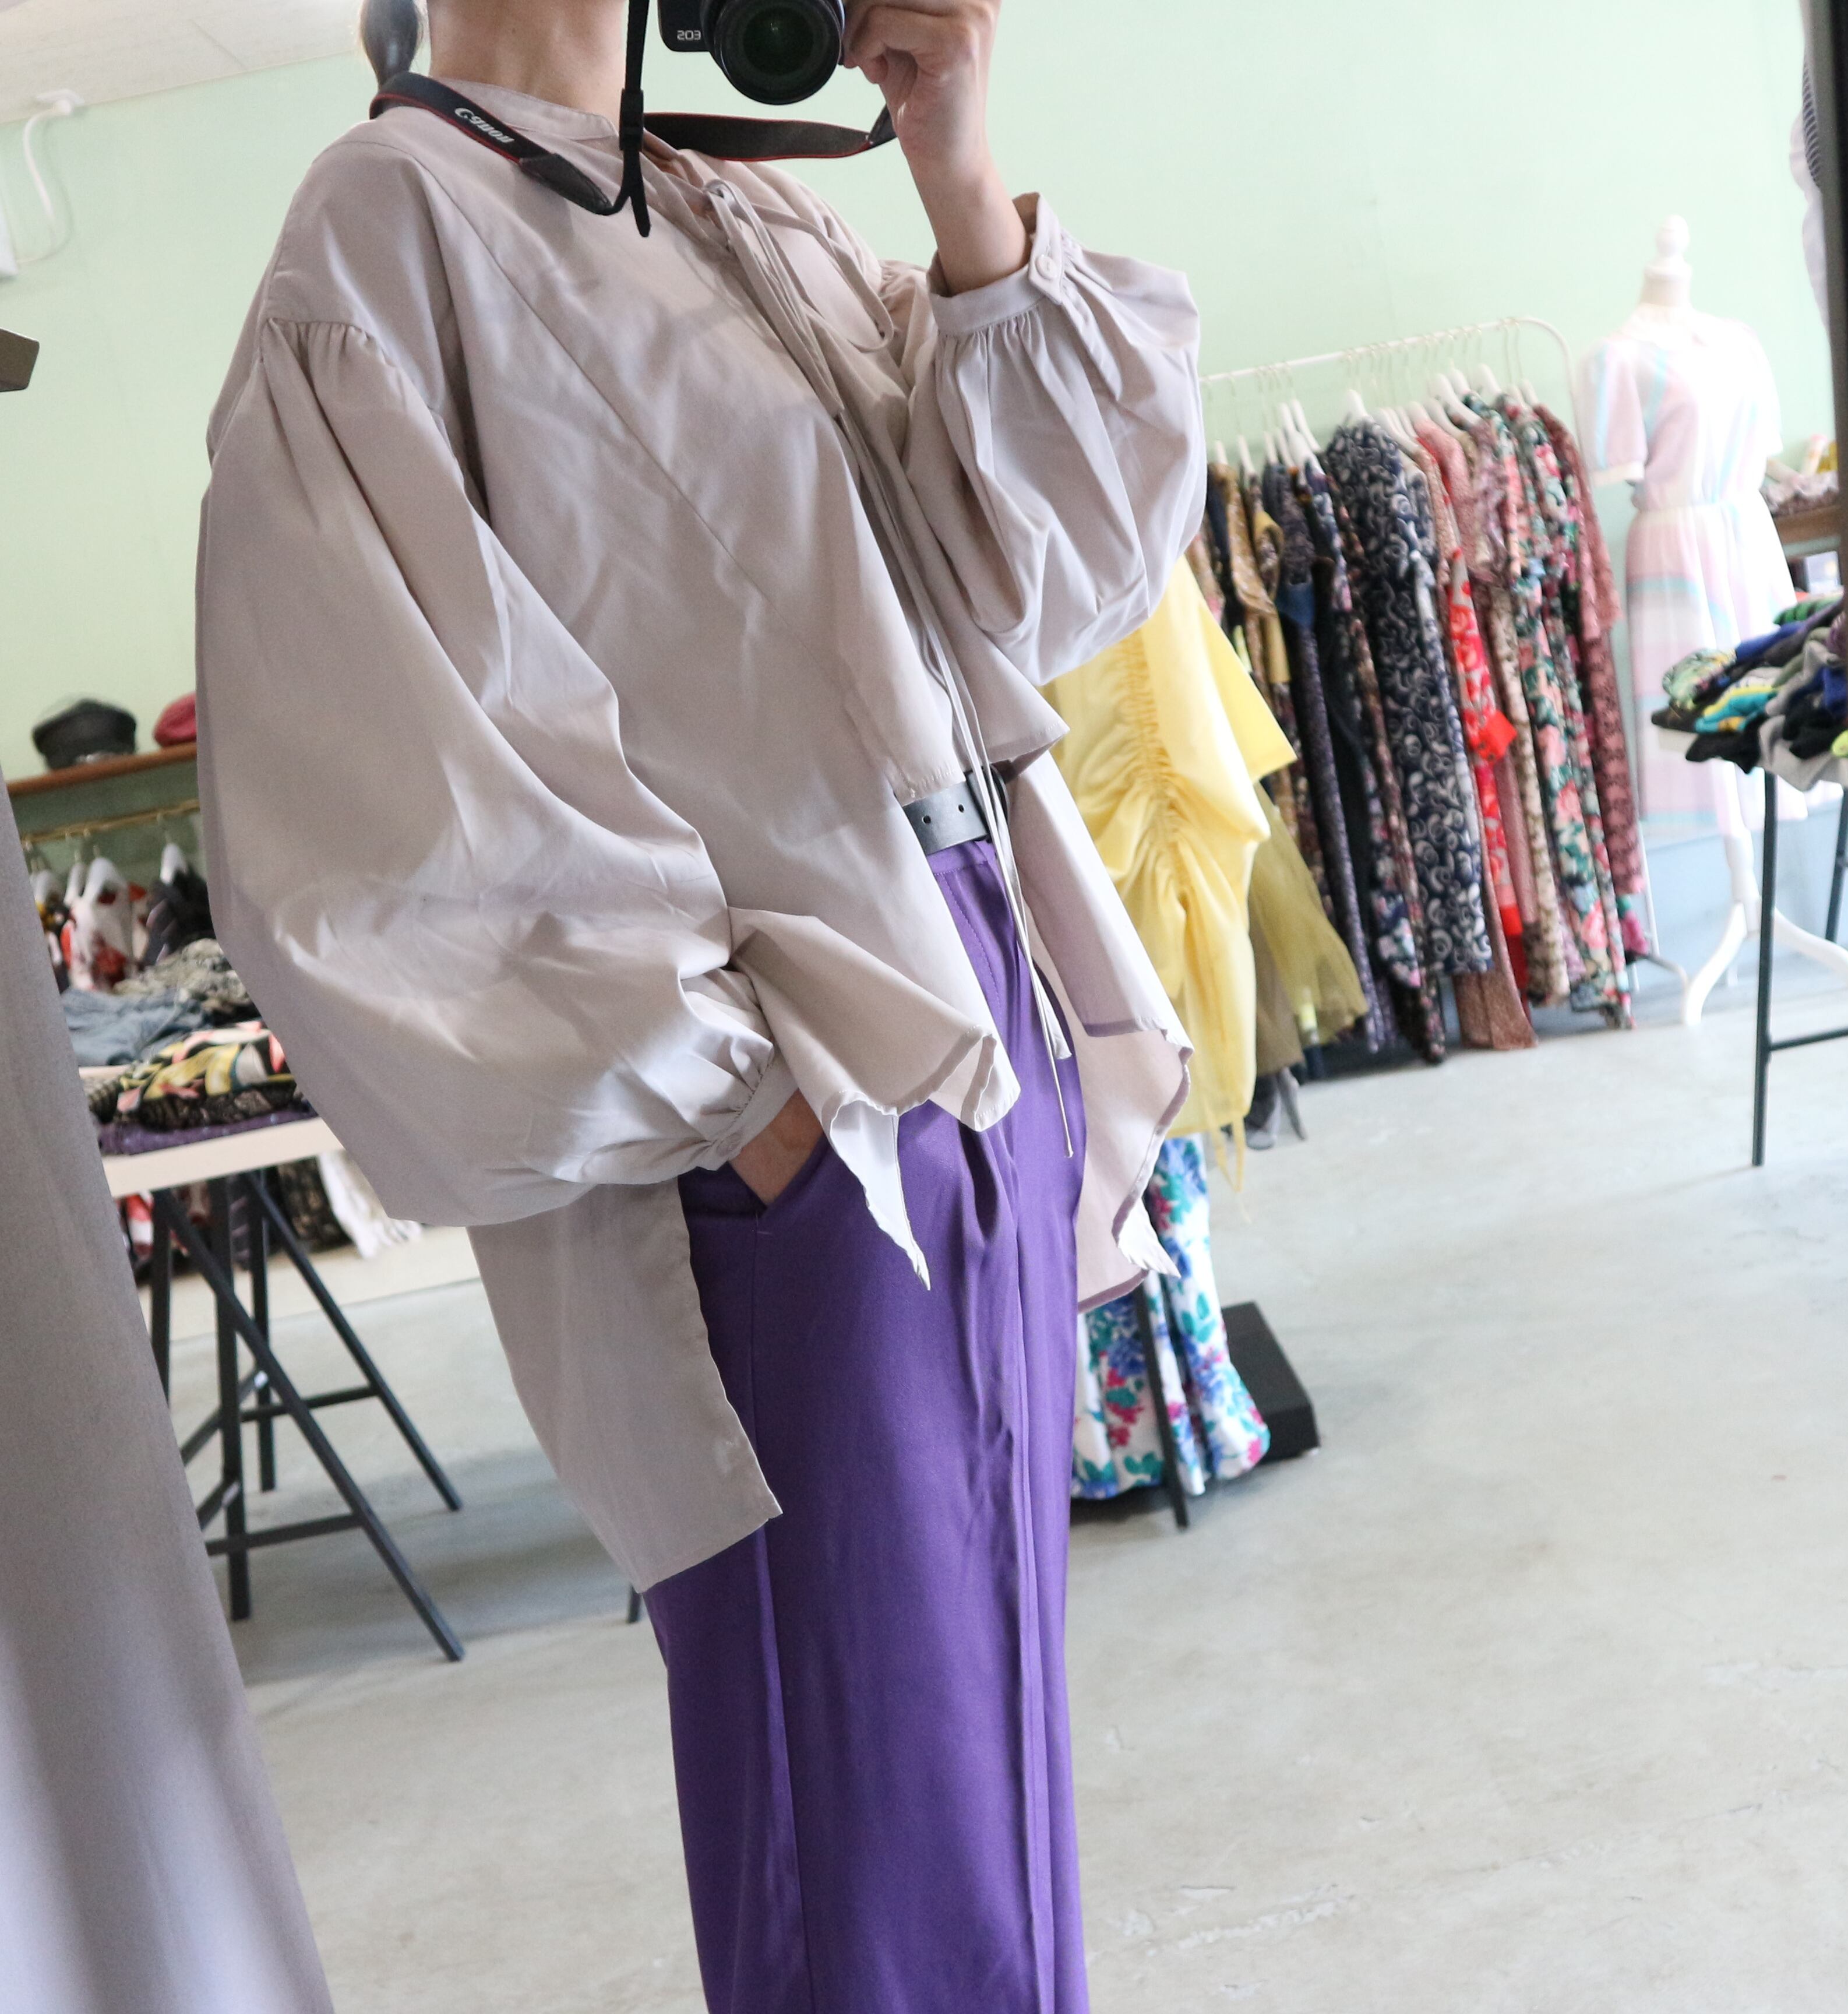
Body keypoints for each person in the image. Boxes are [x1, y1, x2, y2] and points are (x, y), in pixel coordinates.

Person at [195, 0, 1204, 2006]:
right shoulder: (391, 228)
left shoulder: (742, 209)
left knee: (985, 1766)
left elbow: (1055, 572)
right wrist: (757, 1119)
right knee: (859, 1809)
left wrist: (959, 175)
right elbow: (373, 826)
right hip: (780, 1109)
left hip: (969, 1021)